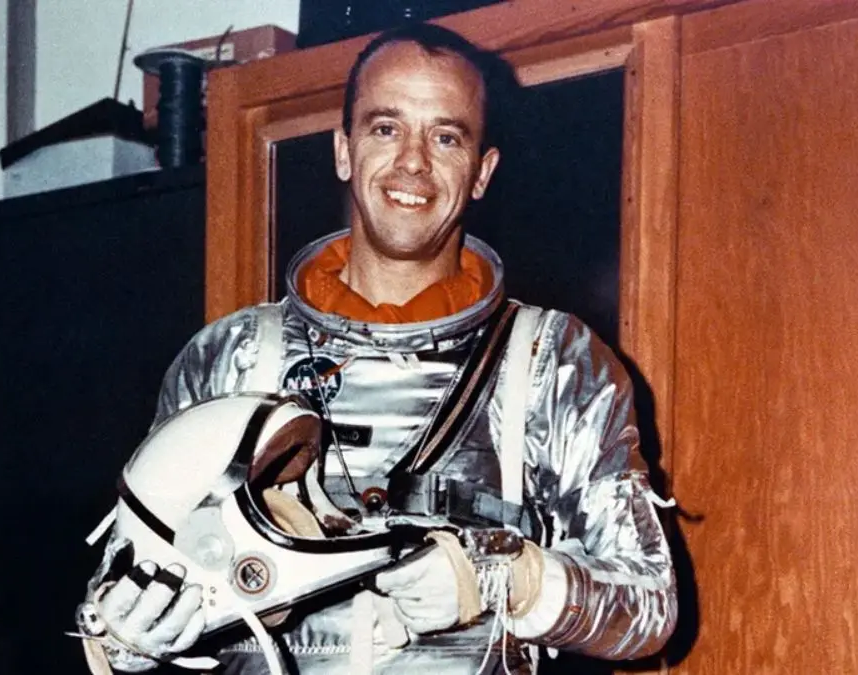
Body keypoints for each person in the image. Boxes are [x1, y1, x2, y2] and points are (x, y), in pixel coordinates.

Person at [76, 22, 677, 674]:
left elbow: (649, 603)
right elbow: (122, 586)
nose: (413, 161)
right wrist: (129, 637)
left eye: (446, 137)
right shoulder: (232, 356)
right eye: (386, 128)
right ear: (344, 150)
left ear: (482, 172)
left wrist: (508, 578)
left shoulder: (551, 364)